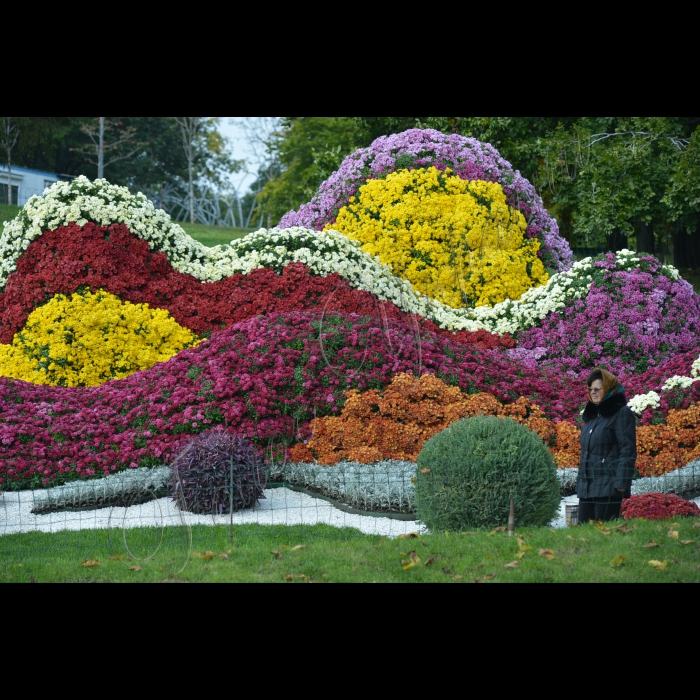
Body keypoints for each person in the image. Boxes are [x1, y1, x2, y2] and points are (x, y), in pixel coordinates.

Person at [577, 368, 637, 523]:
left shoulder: (621, 414)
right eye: (590, 389)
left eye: (598, 389)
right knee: (582, 536)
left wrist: (622, 481)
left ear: (609, 390)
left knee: (603, 537)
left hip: (609, 487)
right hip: (587, 488)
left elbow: (627, 449)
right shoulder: (591, 419)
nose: (593, 393)